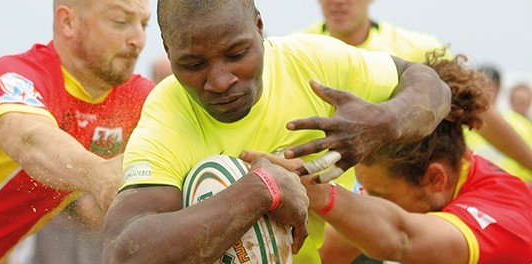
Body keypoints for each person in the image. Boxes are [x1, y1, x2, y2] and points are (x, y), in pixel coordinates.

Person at [102, 0, 453, 263]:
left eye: (237, 53)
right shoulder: (167, 115)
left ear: (259, 26)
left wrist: (382, 122)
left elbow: (431, 86)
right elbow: (124, 252)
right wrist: (263, 189)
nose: (221, 81)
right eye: (194, 64)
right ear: (168, 51)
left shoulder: (311, 62)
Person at [0, 0, 154, 262]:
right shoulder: (14, 77)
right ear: (68, 22)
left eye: (144, 24)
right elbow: (31, 141)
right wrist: (101, 176)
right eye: (121, 22)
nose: (138, 40)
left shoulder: (137, 98)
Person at [312, 52, 532, 263]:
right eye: (366, 189)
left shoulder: (503, 220)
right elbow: (330, 254)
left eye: (381, 195)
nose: (369, 200)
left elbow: (401, 239)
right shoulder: (414, 177)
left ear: (436, 179)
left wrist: (316, 190)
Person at [304, 0, 532, 189]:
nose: (338, 2)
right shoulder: (298, 50)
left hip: (396, 207)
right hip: (316, 200)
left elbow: (474, 108)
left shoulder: (418, 50)